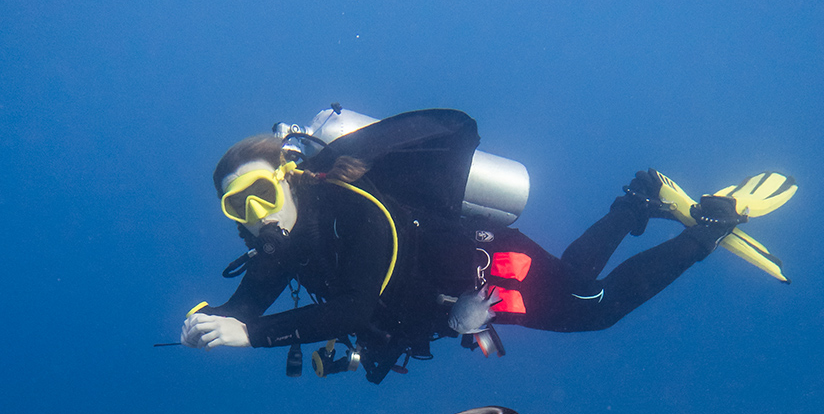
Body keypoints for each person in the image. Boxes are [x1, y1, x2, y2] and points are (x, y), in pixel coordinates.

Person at [181, 109, 749, 384]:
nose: (256, 215)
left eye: (259, 193)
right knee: (574, 278)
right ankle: (635, 202)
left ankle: (705, 232)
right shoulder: (282, 241)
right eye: (237, 207)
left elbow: (352, 308)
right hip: (451, 304)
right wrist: (211, 319)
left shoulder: (357, 210)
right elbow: (247, 304)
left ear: (288, 177)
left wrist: (251, 334)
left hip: (487, 267)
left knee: (594, 308)